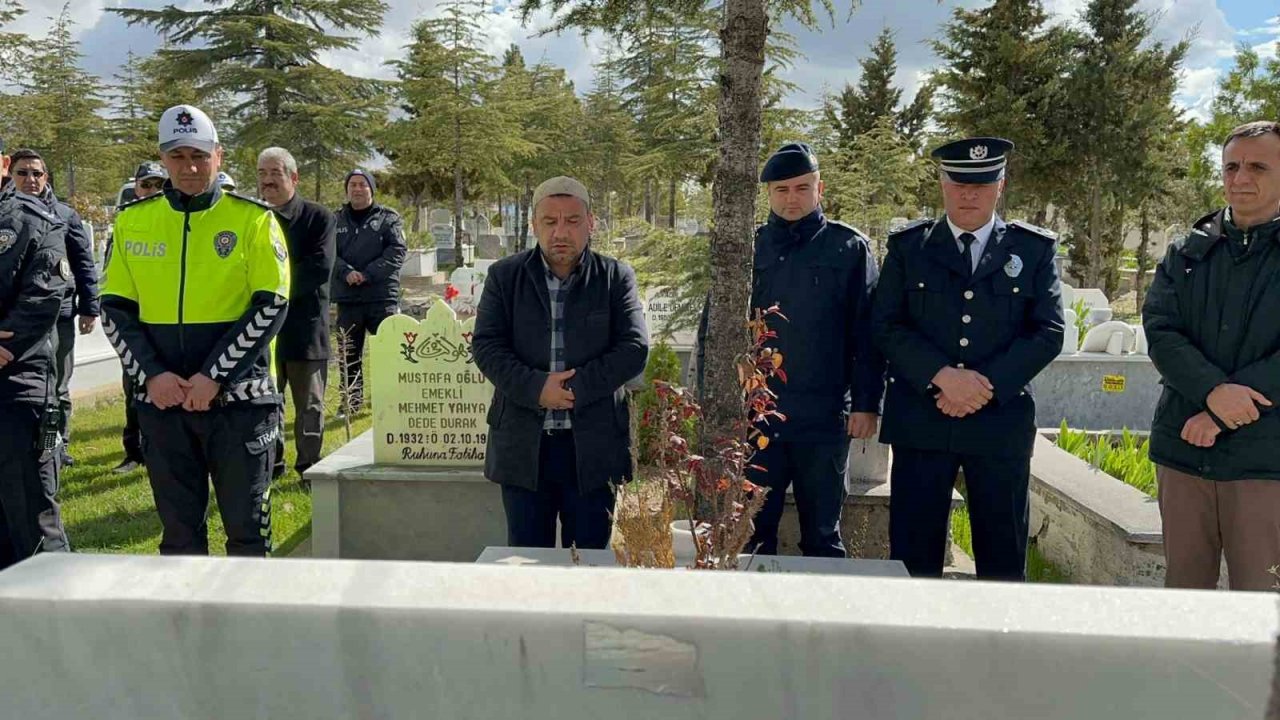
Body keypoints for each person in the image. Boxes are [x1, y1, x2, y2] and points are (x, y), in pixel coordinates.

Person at [100, 104, 290, 556]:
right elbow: (113, 310)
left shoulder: (254, 219)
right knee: (180, 540)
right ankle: (187, 626)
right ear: (163, 159)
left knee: (248, 536)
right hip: (163, 407)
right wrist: (153, 376)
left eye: (200, 156)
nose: (190, 166)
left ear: (219, 157)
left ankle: (250, 627)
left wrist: (214, 377)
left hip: (239, 406)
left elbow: (271, 305)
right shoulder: (132, 221)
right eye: (179, 155)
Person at [872, 137, 1064, 581]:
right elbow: (885, 325)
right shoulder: (909, 247)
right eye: (959, 183)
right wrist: (941, 376)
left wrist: (984, 386)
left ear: (1001, 185)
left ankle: (998, 648)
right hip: (923, 419)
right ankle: (914, 646)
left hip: (998, 422)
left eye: (982, 183)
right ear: (942, 183)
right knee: (912, 558)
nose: (969, 194)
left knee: (1002, 556)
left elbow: (1049, 330)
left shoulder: (1031, 250)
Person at [472, 176, 648, 549]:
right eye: (550, 222)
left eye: (572, 220)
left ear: (591, 223)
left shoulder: (616, 278)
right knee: (524, 560)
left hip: (593, 448)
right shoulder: (505, 277)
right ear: (534, 225)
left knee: (587, 561)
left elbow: (633, 348)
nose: (561, 232)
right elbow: (487, 346)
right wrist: (537, 388)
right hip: (523, 446)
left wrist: (571, 390)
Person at [1142, 120, 1280, 591]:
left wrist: (1223, 413)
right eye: (1232, 166)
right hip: (1184, 452)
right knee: (1184, 599)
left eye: (1258, 166)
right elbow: (1161, 329)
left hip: (1266, 462)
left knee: (1263, 607)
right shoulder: (1187, 251)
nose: (1241, 177)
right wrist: (1212, 392)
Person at [739, 142, 884, 558]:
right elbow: (717, 329)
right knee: (751, 532)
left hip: (824, 418)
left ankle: (822, 622)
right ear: (769, 193)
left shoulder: (849, 249)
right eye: (782, 190)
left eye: (802, 188)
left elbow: (867, 334)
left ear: (820, 190)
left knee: (822, 535)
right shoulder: (750, 248)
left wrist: (866, 403)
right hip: (759, 418)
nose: (792, 199)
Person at [0, 139, 72, 569]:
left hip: (16, 389)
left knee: (30, 516)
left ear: (4, 165)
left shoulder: (32, 222)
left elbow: (43, 296)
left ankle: (57, 625)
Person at [9, 149, 99, 469]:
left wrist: (90, 306)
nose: (30, 179)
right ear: (11, 175)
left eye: (37, 173)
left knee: (56, 385)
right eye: (23, 173)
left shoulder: (63, 214)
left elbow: (84, 264)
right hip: (13, 321)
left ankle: (55, 446)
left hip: (57, 317)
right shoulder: (4, 215)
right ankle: (21, 444)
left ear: (46, 177)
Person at [257, 147, 335, 482]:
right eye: (262, 174)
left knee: (309, 406)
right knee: (267, 403)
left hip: (305, 329)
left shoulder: (319, 218)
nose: (268, 180)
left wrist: (271, 291)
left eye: (275, 173)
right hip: (263, 331)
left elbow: (318, 268)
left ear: (293, 177)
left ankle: (309, 467)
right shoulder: (254, 217)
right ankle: (271, 464)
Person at [106, 162, 168, 474]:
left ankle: (162, 452)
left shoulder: (175, 221)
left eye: (159, 184)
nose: (152, 191)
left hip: (167, 325)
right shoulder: (126, 224)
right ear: (136, 188)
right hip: (136, 327)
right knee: (134, 391)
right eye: (147, 185)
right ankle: (134, 454)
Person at [331, 168, 405, 416]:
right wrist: (346, 272)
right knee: (348, 353)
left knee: (388, 353)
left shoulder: (388, 218)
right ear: (347, 189)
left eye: (363, 184)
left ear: (371, 189)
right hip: (348, 298)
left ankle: (392, 400)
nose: (357, 189)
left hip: (380, 297)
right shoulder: (336, 219)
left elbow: (396, 252)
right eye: (352, 184)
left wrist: (367, 274)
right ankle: (351, 403)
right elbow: (329, 253)